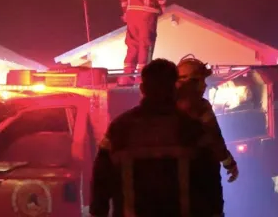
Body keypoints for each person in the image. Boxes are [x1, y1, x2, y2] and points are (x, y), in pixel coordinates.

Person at [90, 59, 222, 217]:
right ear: (174, 89)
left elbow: (101, 179)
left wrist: (98, 212)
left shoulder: (120, 128)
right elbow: (210, 181)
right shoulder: (192, 129)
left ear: (143, 89)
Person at [176, 56, 240, 183]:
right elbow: (214, 136)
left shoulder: (162, 103)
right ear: (191, 81)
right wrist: (229, 163)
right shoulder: (201, 106)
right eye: (201, 80)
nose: (205, 85)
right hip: (196, 172)